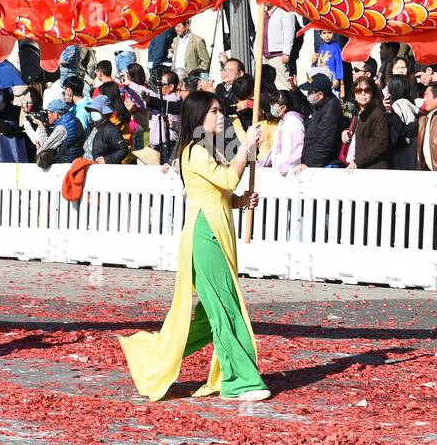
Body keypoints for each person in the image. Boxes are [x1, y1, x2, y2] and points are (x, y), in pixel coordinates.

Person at [120, 90, 269, 402]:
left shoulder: (209, 150)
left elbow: (221, 193)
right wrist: (245, 148)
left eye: (220, 110)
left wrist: (240, 201)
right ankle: (239, 381)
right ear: (197, 116)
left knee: (208, 317)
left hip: (216, 231)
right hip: (204, 236)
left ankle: (155, 356)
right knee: (226, 309)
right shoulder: (192, 152)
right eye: (213, 111)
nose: (220, 116)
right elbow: (228, 180)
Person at [295, 73, 342, 170]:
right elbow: (305, 107)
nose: (307, 94)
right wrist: (295, 91)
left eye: (309, 92)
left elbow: (325, 142)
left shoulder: (331, 111)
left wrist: (310, 164)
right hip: (314, 162)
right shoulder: (321, 103)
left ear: (320, 95)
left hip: (323, 165)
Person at [344, 77, 390, 170]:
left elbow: (380, 143)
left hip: (374, 168)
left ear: (372, 93)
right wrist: (345, 131)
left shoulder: (378, 113)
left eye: (367, 90)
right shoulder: (357, 112)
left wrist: (358, 161)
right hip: (360, 166)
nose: (363, 93)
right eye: (358, 90)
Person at [261, 89, 305, 175]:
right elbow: (275, 149)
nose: (272, 107)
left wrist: (284, 167)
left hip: (290, 172)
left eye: (274, 104)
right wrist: (262, 164)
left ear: (283, 107)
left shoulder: (294, 123)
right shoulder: (282, 122)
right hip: (279, 171)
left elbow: (297, 149)